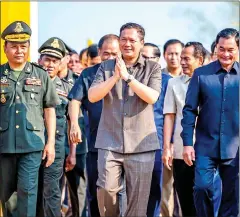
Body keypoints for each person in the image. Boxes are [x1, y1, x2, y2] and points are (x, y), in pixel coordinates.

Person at [86, 22, 161, 216]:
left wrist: (128, 78)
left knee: (137, 202)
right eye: (123, 39)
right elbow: (93, 96)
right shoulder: (106, 67)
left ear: (141, 43)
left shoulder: (153, 68)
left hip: (141, 145)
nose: (127, 43)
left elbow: (152, 96)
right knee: (106, 190)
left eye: (132, 40)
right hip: (110, 142)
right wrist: (114, 78)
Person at [0, 21, 59, 217]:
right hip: (4, 145)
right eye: (14, 46)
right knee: (7, 196)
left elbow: (49, 109)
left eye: (23, 46)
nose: (19, 51)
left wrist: (50, 143)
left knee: (27, 191)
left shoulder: (40, 75)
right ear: (5, 48)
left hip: (32, 145)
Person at [181, 28, 239, 217]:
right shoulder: (201, 74)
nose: (225, 54)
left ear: (237, 49)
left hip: (235, 146)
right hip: (205, 145)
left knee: (232, 197)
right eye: (221, 49)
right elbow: (189, 110)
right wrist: (188, 143)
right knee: (202, 188)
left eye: (230, 49)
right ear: (216, 49)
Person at [68, 34, 127, 216]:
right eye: (106, 53)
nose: (109, 57)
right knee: (95, 190)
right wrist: (75, 125)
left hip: (125, 144)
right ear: (99, 52)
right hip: (96, 144)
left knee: (123, 193)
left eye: (114, 53)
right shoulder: (88, 74)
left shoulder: (127, 73)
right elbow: (75, 100)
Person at [162, 42, 205, 217]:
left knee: (206, 198)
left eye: (186, 58)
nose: (182, 62)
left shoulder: (212, 81)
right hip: (181, 152)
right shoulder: (174, 83)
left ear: (200, 60)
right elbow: (169, 116)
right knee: (186, 201)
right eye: (182, 59)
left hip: (207, 151)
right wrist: (167, 147)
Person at [36, 37, 76, 217]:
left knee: (52, 193)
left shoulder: (67, 88)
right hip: (30, 145)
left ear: (61, 64)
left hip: (56, 149)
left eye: (55, 61)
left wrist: (72, 152)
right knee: (30, 193)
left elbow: (71, 123)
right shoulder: (29, 84)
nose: (50, 64)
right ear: (39, 61)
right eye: (47, 59)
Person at [141, 43, 171, 217]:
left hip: (157, 139)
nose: (143, 61)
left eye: (148, 57)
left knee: (154, 185)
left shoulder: (168, 82)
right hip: (131, 141)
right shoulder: (131, 78)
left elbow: (170, 114)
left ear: (157, 60)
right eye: (141, 57)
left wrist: (170, 142)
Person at [160, 38, 184, 217]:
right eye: (170, 53)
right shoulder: (159, 79)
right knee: (166, 188)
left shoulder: (194, 76)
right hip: (165, 141)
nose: (174, 57)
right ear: (164, 55)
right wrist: (167, 143)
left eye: (178, 53)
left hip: (187, 143)